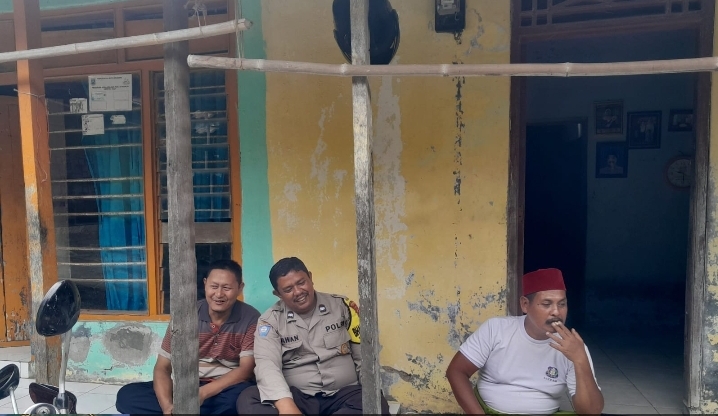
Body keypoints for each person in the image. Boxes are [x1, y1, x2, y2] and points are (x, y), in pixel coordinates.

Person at [236, 256, 390, 415]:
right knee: (248, 398)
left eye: (301, 282)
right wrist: (286, 406)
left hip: (344, 394)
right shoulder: (269, 321)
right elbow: (267, 365)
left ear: (310, 277)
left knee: (376, 403)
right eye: (288, 289)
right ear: (278, 294)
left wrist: (369, 391)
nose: (298, 292)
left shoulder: (342, 307)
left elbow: (363, 357)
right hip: (298, 398)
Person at [446, 268, 603, 415]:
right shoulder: (496, 329)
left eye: (562, 304)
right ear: (525, 305)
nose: (556, 311)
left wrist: (580, 360)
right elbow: (457, 371)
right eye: (547, 304)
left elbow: (591, 411)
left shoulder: (573, 347)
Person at [116, 259, 261, 415]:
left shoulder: (251, 318)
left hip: (226, 388)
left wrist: (202, 394)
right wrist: (167, 407)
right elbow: (162, 367)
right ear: (205, 284)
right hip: (187, 386)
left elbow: (246, 370)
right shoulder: (185, 316)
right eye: (214, 286)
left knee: (242, 399)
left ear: (240, 288)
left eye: (227, 288)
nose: (219, 294)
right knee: (126, 396)